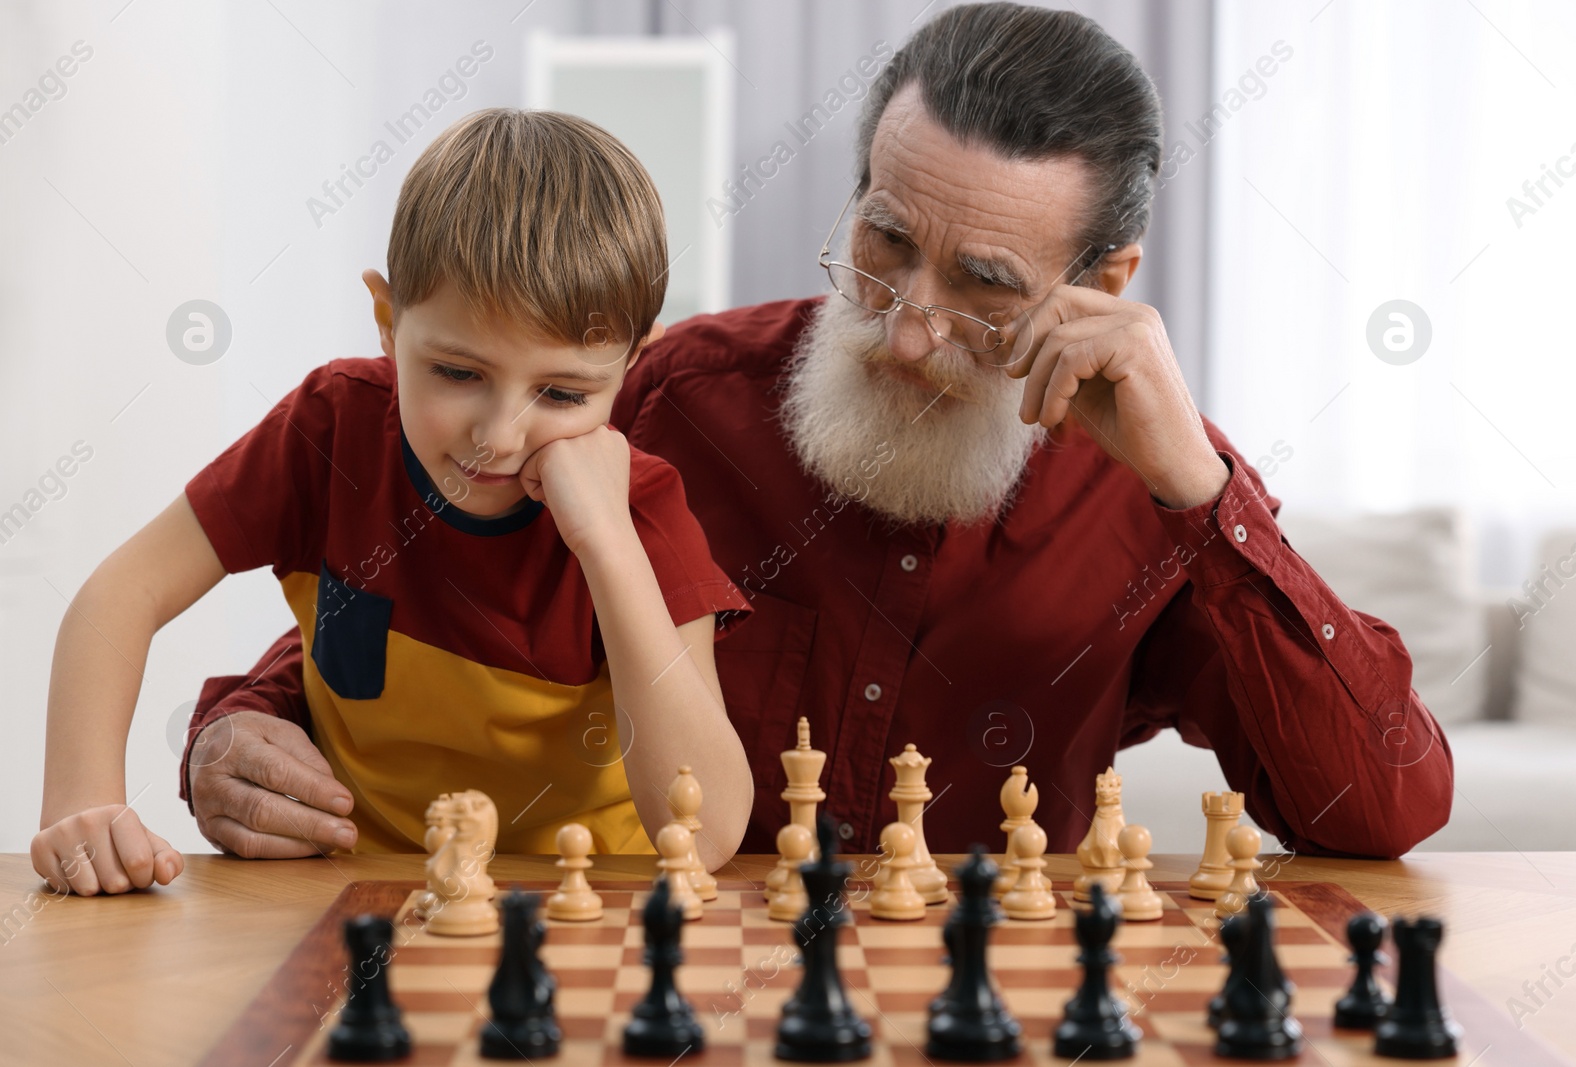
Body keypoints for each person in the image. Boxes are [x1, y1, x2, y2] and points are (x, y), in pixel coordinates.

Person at [184, 3, 1453, 862]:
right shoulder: (670, 397)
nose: (908, 333)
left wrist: (1200, 492)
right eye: (886, 246)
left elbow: (1381, 804)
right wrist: (246, 720)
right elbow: (424, 604)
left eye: (987, 289)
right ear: (851, 193)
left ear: (1103, 287)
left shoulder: (1153, 487)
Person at [31, 109, 754, 896]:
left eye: (561, 392)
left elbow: (709, 829)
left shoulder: (643, 512)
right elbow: (119, 595)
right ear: (387, 321)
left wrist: (606, 543)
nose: (500, 436)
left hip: (574, 915)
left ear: (630, 365)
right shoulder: (329, 425)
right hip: (353, 901)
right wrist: (83, 801)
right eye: (458, 373)